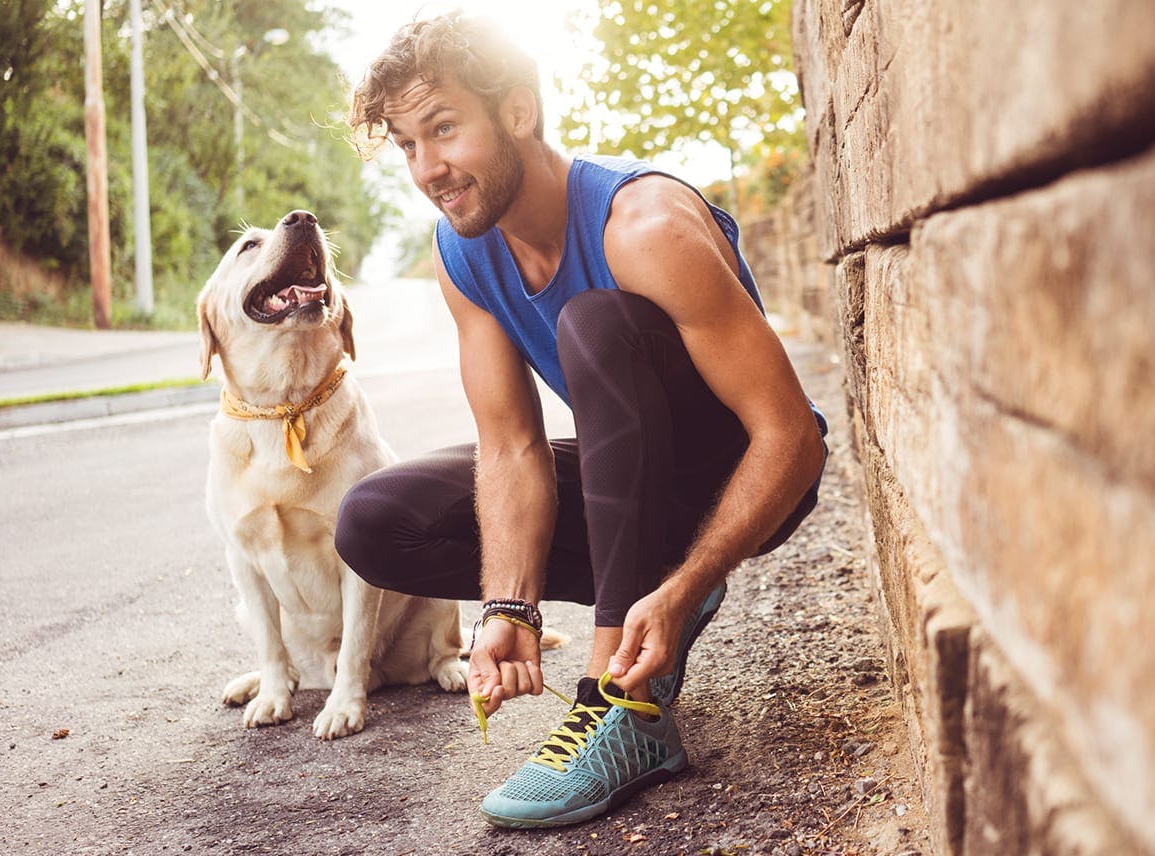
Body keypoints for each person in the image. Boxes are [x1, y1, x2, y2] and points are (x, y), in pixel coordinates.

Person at [336, 9, 828, 829]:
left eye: (444, 129)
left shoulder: (644, 225)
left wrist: (689, 582)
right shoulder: (462, 251)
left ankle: (619, 705)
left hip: (742, 475)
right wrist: (509, 608)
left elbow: (793, 438)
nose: (428, 167)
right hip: (630, 476)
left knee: (593, 324)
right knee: (376, 522)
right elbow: (511, 446)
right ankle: (642, 602)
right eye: (407, 144)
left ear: (517, 111)